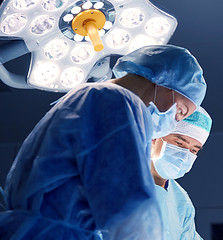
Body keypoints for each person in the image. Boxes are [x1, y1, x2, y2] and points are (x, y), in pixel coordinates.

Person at [0, 45, 207, 239]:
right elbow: (128, 206)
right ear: (165, 83)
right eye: (180, 111)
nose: (175, 122)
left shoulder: (88, 97)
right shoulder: (116, 102)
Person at [150, 106, 212, 240]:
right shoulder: (117, 184)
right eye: (179, 143)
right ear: (154, 137)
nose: (184, 156)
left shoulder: (181, 201)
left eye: (194, 150)